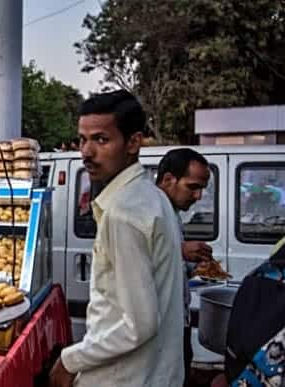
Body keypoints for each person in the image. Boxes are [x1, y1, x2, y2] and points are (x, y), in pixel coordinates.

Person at [49, 90, 185, 387]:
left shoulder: (123, 213)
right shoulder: (151, 196)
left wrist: (69, 360)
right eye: (82, 140)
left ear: (133, 143)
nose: (86, 152)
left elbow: (139, 324)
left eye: (101, 139)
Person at [155, 148, 213, 386]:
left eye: (201, 189)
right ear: (169, 179)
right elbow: (132, 262)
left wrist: (192, 265)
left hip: (179, 323)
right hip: (159, 332)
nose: (198, 196)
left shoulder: (172, 213)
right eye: (192, 187)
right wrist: (178, 251)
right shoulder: (145, 212)